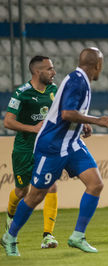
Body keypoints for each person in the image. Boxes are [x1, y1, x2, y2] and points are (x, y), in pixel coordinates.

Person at [1, 47, 108, 256]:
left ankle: (77, 236)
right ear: (97, 65)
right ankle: (10, 236)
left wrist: (83, 125)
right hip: (52, 146)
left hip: (71, 143)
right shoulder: (76, 81)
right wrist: (95, 120)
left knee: (96, 184)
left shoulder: (79, 80)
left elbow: (70, 113)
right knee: (35, 195)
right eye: (101, 64)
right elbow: (66, 113)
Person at [3, 55, 59, 249]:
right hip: (24, 148)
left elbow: (64, 114)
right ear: (37, 72)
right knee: (22, 191)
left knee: (50, 186)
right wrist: (33, 128)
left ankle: (48, 235)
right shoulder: (22, 93)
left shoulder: (54, 90)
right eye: (49, 69)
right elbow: (8, 121)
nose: (53, 72)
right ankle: (10, 216)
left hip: (46, 148)